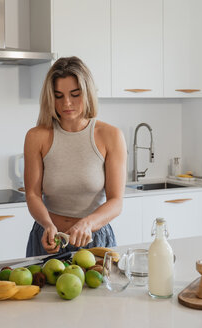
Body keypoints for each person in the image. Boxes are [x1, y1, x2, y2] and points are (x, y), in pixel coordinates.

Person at [24, 56, 127, 257]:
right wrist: (46, 224)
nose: (67, 103)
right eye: (58, 95)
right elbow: (32, 195)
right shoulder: (36, 137)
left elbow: (116, 201)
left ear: (87, 93)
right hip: (49, 238)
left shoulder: (111, 136)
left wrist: (87, 224)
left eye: (75, 94)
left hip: (94, 241)